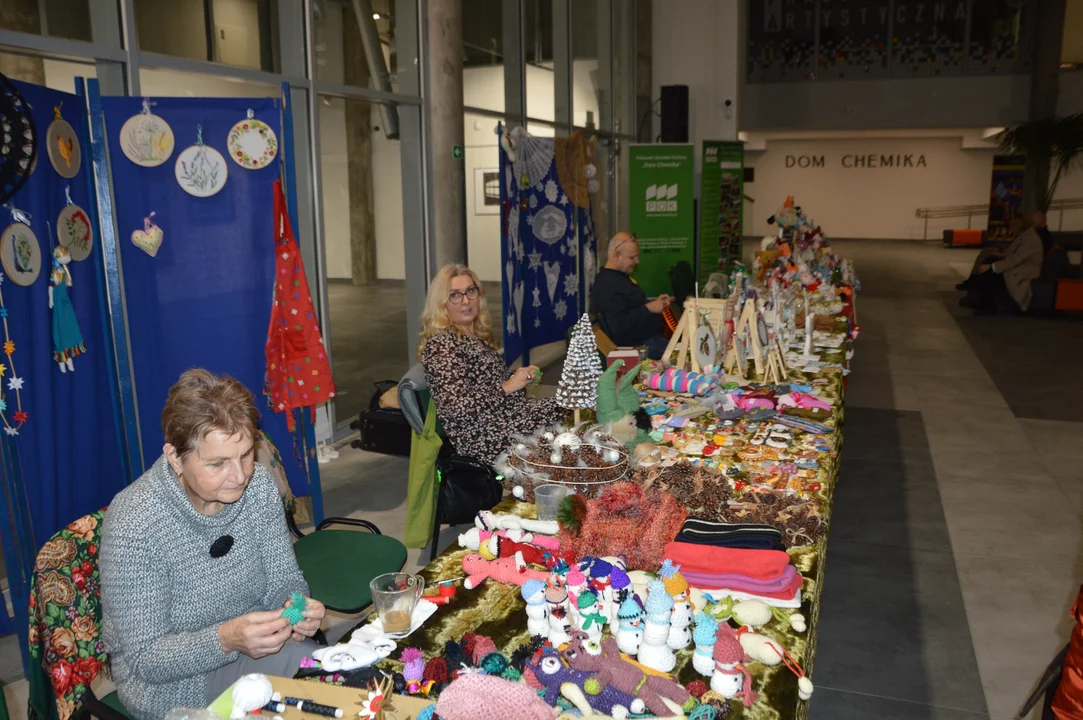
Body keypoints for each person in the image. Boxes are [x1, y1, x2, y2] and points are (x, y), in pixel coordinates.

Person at [100, 369, 324, 720]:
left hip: (254, 650)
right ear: (175, 457)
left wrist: (296, 611)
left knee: (339, 686)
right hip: (172, 686)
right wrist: (226, 639)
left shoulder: (259, 486)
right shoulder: (136, 522)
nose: (240, 475)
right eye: (217, 463)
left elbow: (285, 580)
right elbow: (146, 659)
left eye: (247, 453)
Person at [420, 263, 564, 465]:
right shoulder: (443, 345)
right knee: (566, 410)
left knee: (566, 405)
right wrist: (508, 386)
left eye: (471, 291)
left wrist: (517, 376)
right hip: (482, 436)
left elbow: (485, 382)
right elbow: (457, 407)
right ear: (442, 303)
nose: (466, 301)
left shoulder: (468, 335)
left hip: (502, 418)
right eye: (455, 295)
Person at [590, 232, 672, 359]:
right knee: (686, 354)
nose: (637, 261)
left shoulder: (617, 278)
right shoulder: (608, 286)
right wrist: (648, 308)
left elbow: (631, 309)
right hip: (640, 346)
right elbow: (618, 328)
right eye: (632, 257)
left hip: (648, 339)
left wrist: (654, 305)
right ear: (617, 255)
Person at [959, 211, 1047, 314]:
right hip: (1020, 264)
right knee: (989, 260)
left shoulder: (1030, 239)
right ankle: (977, 297)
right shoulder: (1025, 236)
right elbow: (1012, 254)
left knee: (991, 272)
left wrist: (992, 267)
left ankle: (984, 303)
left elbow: (1016, 259)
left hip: (1025, 269)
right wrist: (998, 255)